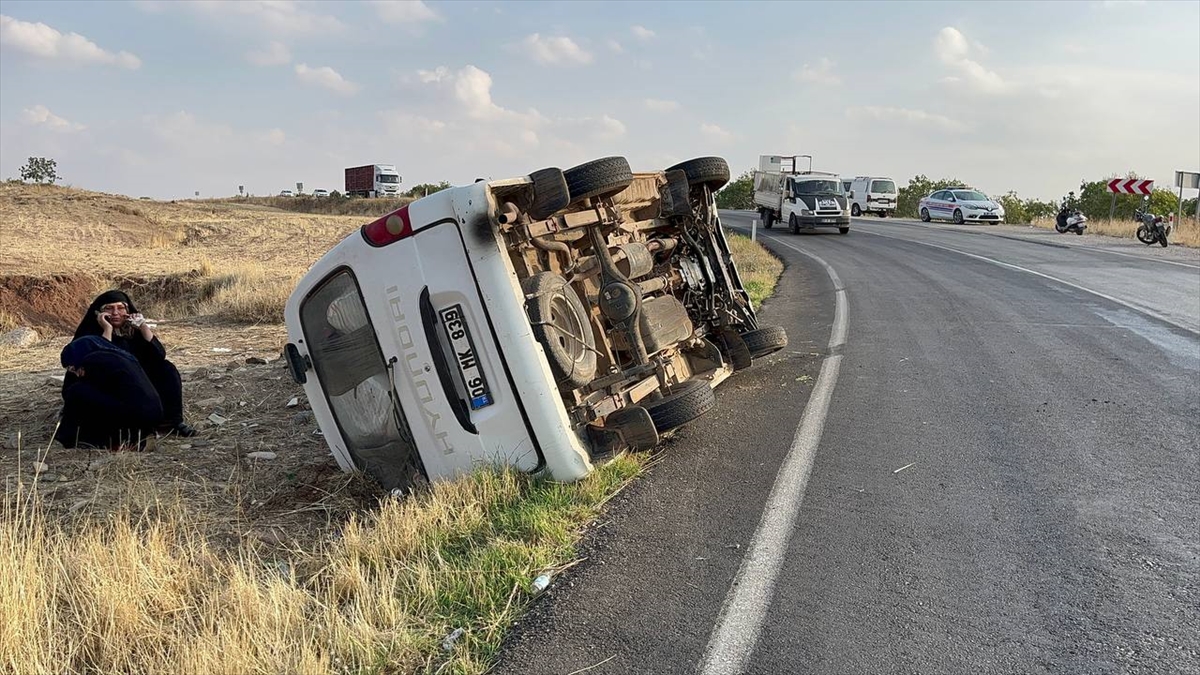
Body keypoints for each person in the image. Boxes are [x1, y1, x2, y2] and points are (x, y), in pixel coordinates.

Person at [66, 290, 197, 437]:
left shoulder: (132, 332)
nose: (115, 312)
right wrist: (107, 329)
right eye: (109, 308)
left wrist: (143, 327)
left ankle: (171, 423)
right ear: (98, 313)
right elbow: (104, 360)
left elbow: (159, 355)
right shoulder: (89, 334)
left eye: (120, 308)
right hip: (107, 385)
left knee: (166, 368)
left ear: (128, 311)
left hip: (135, 384)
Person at [55, 336, 164, 449]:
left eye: (74, 369)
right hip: (153, 416)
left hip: (136, 416)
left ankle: (127, 442)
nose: (77, 374)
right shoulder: (121, 356)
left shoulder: (95, 360)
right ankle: (139, 436)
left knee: (76, 391)